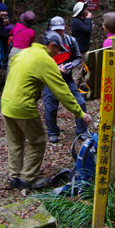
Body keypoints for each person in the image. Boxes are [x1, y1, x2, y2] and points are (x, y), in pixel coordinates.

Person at [1, 31, 92, 189]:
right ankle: (27, 179)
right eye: (58, 49)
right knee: (37, 141)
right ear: (51, 46)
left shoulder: (24, 53)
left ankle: (14, 176)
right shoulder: (45, 60)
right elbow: (61, 90)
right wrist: (80, 112)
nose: (58, 53)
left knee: (15, 142)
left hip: (7, 103)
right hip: (23, 106)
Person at [43, 16, 89, 144]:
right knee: (50, 107)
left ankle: (82, 131)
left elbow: (78, 58)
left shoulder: (71, 41)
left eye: (60, 30)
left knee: (80, 102)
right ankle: (52, 132)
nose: (58, 33)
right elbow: (40, 61)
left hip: (67, 79)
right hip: (50, 80)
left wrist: (69, 66)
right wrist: (54, 68)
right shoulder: (45, 43)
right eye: (55, 30)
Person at [71, 1, 93, 87]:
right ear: (81, 11)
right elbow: (87, 30)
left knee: (82, 70)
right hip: (79, 50)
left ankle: (80, 89)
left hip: (82, 49)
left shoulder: (79, 20)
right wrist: (89, 19)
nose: (87, 10)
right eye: (85, 9)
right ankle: (73, 93)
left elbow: (87, 29)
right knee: (78, 72)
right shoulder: (77, 21)